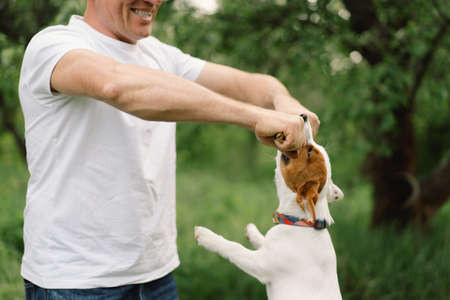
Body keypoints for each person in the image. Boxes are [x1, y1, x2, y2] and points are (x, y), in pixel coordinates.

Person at [18, 0, 320, 299]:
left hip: (156, 278)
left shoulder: (161, 56)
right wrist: (256, 118)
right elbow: (117, 86)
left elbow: (256, 86)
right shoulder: (54, 45)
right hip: (75, 283)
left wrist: (285, 104)